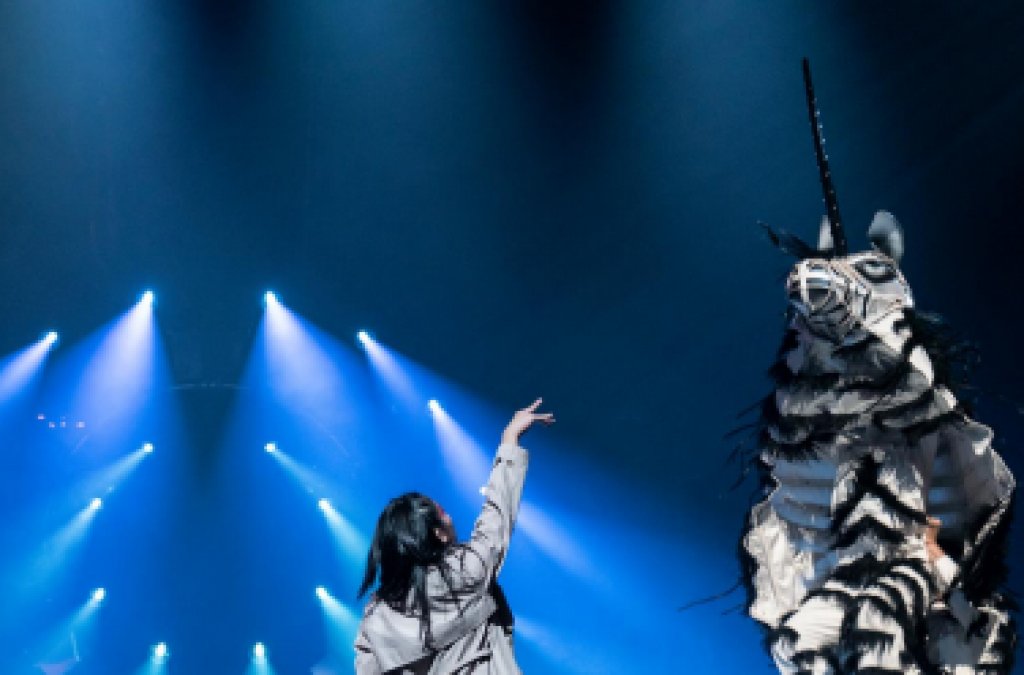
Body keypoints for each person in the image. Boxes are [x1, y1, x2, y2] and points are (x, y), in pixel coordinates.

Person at [354, 398, 554, 674]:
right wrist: (510, 440)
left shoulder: (378, 619)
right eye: (443, 513)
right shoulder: (466, 572)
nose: (450, 518)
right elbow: (497, 515)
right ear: (437, 533)